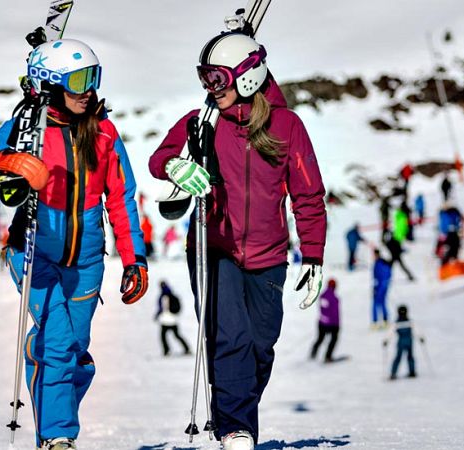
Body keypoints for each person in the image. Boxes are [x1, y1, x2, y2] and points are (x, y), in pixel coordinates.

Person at [148, 32, 326, 450]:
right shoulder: (201, 123)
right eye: (204, 78)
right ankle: (235, 431)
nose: (210, 89)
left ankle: (233, 411)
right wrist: (177, 166)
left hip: (268, 256)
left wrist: (313, 255)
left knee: (261, 347)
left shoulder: (287, 126)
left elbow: (307, 194)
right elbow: (159, 159)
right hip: (214, 248)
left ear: (247, 76)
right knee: (231, 338)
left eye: (217, 78)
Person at [0, 38, 148, 450]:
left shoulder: (103, 132)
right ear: (52, 85)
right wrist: (11, 162)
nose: (88, 90)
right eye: (77, 81)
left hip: (86, 260)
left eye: (93, 78)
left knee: (75, 354)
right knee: (57, 343)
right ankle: (58, 437)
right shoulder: (28, 126)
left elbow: (122, 198)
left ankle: (50, 416)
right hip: (35, 252)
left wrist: (134, 258)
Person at [383, 305, 424, 380]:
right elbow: (416, 330)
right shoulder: (409, 322)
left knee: (398, 357)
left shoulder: (397, 323)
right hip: (409, 341)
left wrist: (386, 340)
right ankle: (412, 372)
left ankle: (393, 373)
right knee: (410, 356)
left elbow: (390, 332)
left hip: (401, 342)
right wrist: (420, 337)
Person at [154, 280, 191, 356]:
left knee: (169, 336)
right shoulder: (166, 296)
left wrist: (171, 311)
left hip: (171, 319)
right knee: (171, 336)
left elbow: (164, 307)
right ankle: (184, 349)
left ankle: (168, 350)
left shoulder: (166, 296)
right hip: (167, 320)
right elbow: (161, 308)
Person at [310, 278, 340, 363]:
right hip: (332, 324)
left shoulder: (322, 295)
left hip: (321, 322)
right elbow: (335, 313)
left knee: (320, 339)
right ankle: (328, 356)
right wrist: (337, 325)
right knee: (334, 339)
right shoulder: (334, 298)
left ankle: (313, 353)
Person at [372, 249, 392, 328]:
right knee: (382, 302)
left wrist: (378, 287)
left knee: (376, 303)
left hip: (380, 287)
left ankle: (376, 321)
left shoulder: (380, 264)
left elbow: (382, 277)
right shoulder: (383, 263)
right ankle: (385, 320)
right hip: (382, 286)